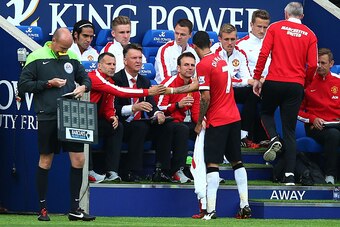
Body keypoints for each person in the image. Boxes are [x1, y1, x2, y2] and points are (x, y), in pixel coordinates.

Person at [18, 28, 95, 221]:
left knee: (79, 160)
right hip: (48, 115)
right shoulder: (36, 57)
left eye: (68, 48)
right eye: (62, 48)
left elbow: (86, 78)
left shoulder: (71, 56)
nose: (64, 52)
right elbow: (24, 85)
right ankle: (42, 209)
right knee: (46, 160)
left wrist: (83, 87)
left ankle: (75, 209)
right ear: (53, 41)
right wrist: (48, 84)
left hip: (71, 113)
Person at [253, 2, 318, 185]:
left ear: (285, 14)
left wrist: (257, 78)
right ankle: (290, 175)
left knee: (265, 112)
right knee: (289, 131)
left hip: (274, 81)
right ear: (302, 16)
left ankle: (274, 138)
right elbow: (313, 65)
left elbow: (264, 54)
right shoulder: (310, 34)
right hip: (295, 85)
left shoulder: (275, 27)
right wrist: (304, 83)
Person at [192, 31, 251, 220]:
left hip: (217, 119)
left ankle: (210, 209)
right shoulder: (221, 58)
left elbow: (205, 97)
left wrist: (200, 120)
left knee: (212, 162)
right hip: (234, 116)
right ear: (210, 42)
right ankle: (245, 205)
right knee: (237, 161)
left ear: (194, 47)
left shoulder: (203, 64)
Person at [88, 52, 166, 183]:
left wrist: (111, 116)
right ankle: (89, 171)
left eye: (113, 64)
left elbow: (109, 105)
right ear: (99, 66)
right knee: (88, 127)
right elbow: (120, 92)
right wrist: (147, 91)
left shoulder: (111, 80)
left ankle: (112, 171)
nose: (112, 67)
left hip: (98, 119)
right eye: (108, 64)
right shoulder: (95, 77)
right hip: (85, 119)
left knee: (116, 127)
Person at [114, 44, 173, 182]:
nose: (138, 61)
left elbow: (151, 104)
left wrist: (158, 113)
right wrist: (133, 108)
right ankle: (131, 171)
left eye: (140, 58)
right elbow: (114, 108)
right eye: (134, 58)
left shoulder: (144, 80)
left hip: (140, 124)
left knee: (168, 125)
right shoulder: (116, 79)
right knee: (140, 127)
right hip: (121, 124)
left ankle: (161, 171)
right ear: (124, 60)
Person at [211, 23, 261, 149]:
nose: (230, 43)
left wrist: (249, 82)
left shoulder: (240, 53)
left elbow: (247, 77)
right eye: (226, 39)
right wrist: (245, 81)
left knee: (253, 92)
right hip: (216, 91)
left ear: (237, 39)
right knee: (248, 85)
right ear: (219, 39)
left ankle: (243, 135)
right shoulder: (213, 52)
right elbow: (221, 79)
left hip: (232, 90)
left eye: (233, 39)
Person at [298, 48, 340, 185]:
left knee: (335, 131)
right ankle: (330, 175)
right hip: (315, 126)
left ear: (331, 64)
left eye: (323, 63)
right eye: (317, 63)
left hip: (335, 123)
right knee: (333, 135)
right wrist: (312, 119)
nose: (320, 66)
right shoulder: (307, 82)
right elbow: (297, 112)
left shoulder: (338, 82)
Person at [156, 52, 200, 183]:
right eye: (186, 65)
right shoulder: (169, 82)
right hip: (165, 121)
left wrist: (202, 123)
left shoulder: (194, 85)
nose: (190, 68)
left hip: (181, 123)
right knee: (182, 129)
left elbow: (196, 112)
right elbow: (159, 107)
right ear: (179, 68)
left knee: (206, 129)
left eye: (192, 65)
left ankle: (206, 171)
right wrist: (177, 105)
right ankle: (177, 170)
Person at [154, 18, 199, 84]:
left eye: (182, 34)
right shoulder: (165, 49)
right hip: (166, 90)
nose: (178, 37)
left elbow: (196, 76)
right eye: (176, 33)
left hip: (189, 89)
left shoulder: (194, 51)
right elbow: (166, 79)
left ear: (190, 35)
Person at [236, 9, 271, 78]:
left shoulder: (272, 44)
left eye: (265, 27)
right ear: (251, 25)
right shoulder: (240, 45)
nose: (262, 31)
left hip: (271, 84)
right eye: (259, 26)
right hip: (250, 85)